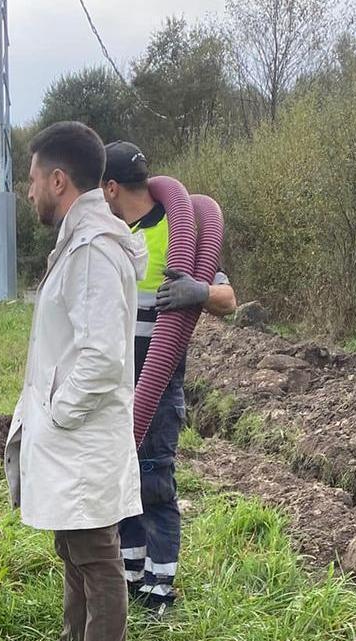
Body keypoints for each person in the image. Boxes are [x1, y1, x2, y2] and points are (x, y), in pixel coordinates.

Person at [4, 121, 147, 641]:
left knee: (96, 556)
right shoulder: (80, 245)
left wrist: (58, 414)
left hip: (81, 436)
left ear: (58, 180)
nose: (29, 189)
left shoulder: (92, 252)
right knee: (75, 548)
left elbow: (102, 356)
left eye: (33, 178)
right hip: (73, 438)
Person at [101, 140, 237, 615]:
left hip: (157, 388)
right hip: (115, 387)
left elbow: (228, 299)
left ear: (112, 187)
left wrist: (198, 289)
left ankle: (161, 588)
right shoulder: (114, 235)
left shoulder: (180, 231)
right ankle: (132, 575)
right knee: (123, 481)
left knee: (154, 481)